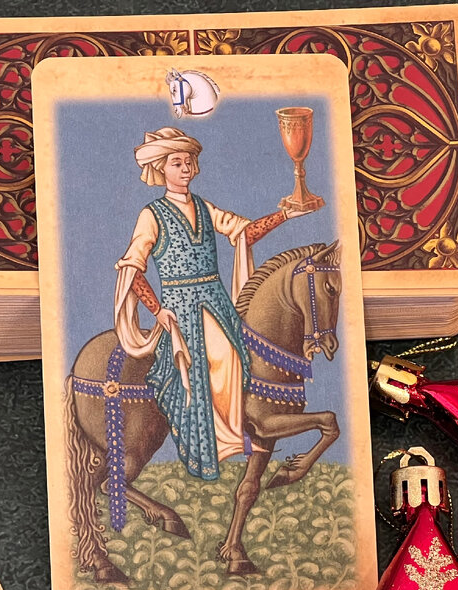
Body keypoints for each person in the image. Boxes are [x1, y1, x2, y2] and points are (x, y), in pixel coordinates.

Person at [113, 126, 315, 481]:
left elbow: (244, 233)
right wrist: (158, 310)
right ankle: (220, 440)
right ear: (161, 168)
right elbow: (132, 268)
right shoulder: (152, 215)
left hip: (218, 302)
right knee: (221, 357)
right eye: (177, 163)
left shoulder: (204, 207)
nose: (186, 168)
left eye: (188, 161)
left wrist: (286, 214)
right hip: (181, 308)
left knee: (247, 354)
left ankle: (244, 430)